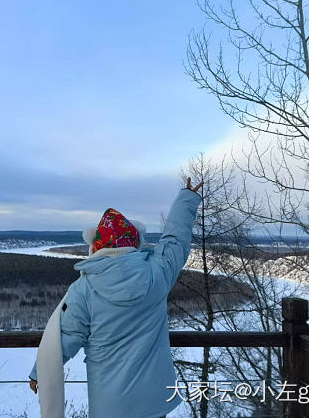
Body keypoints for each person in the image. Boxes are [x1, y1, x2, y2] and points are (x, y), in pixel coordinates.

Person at [28, 177, 203, 418]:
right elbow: (175, 241)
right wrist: (186, 199)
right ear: (135, 243)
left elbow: (65, 338)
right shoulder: (156, 274)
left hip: (110, 406)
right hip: (154, 402)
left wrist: (40, 373)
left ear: (95, 248)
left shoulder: (84, 289)